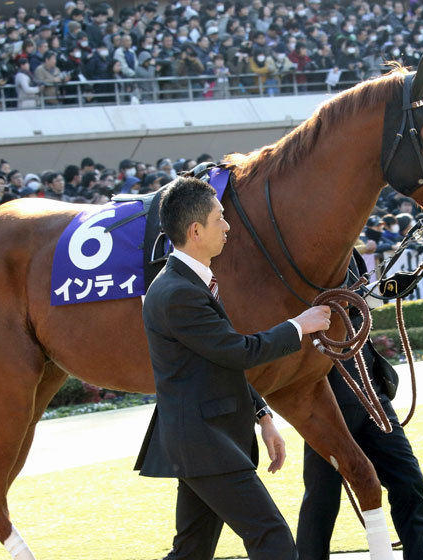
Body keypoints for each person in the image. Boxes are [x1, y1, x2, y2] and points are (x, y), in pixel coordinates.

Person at [134, 176, 331, 560]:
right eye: (219, 218)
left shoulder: (186, 284)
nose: (227, 226)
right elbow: (237, 352)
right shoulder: (178, 293)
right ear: (195, 231)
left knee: (190, 552)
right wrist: (298, 326)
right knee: (272, 539)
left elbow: (217, 362)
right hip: (205, 442)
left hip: (200, 440)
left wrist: (262, 415)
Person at [298, 249, 423, 560]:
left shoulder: (350, 253)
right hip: (323, 397)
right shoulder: (297, 251)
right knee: (322, 499)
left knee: (408, 479)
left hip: (369, 389)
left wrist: (382, 293)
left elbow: (356, 306)